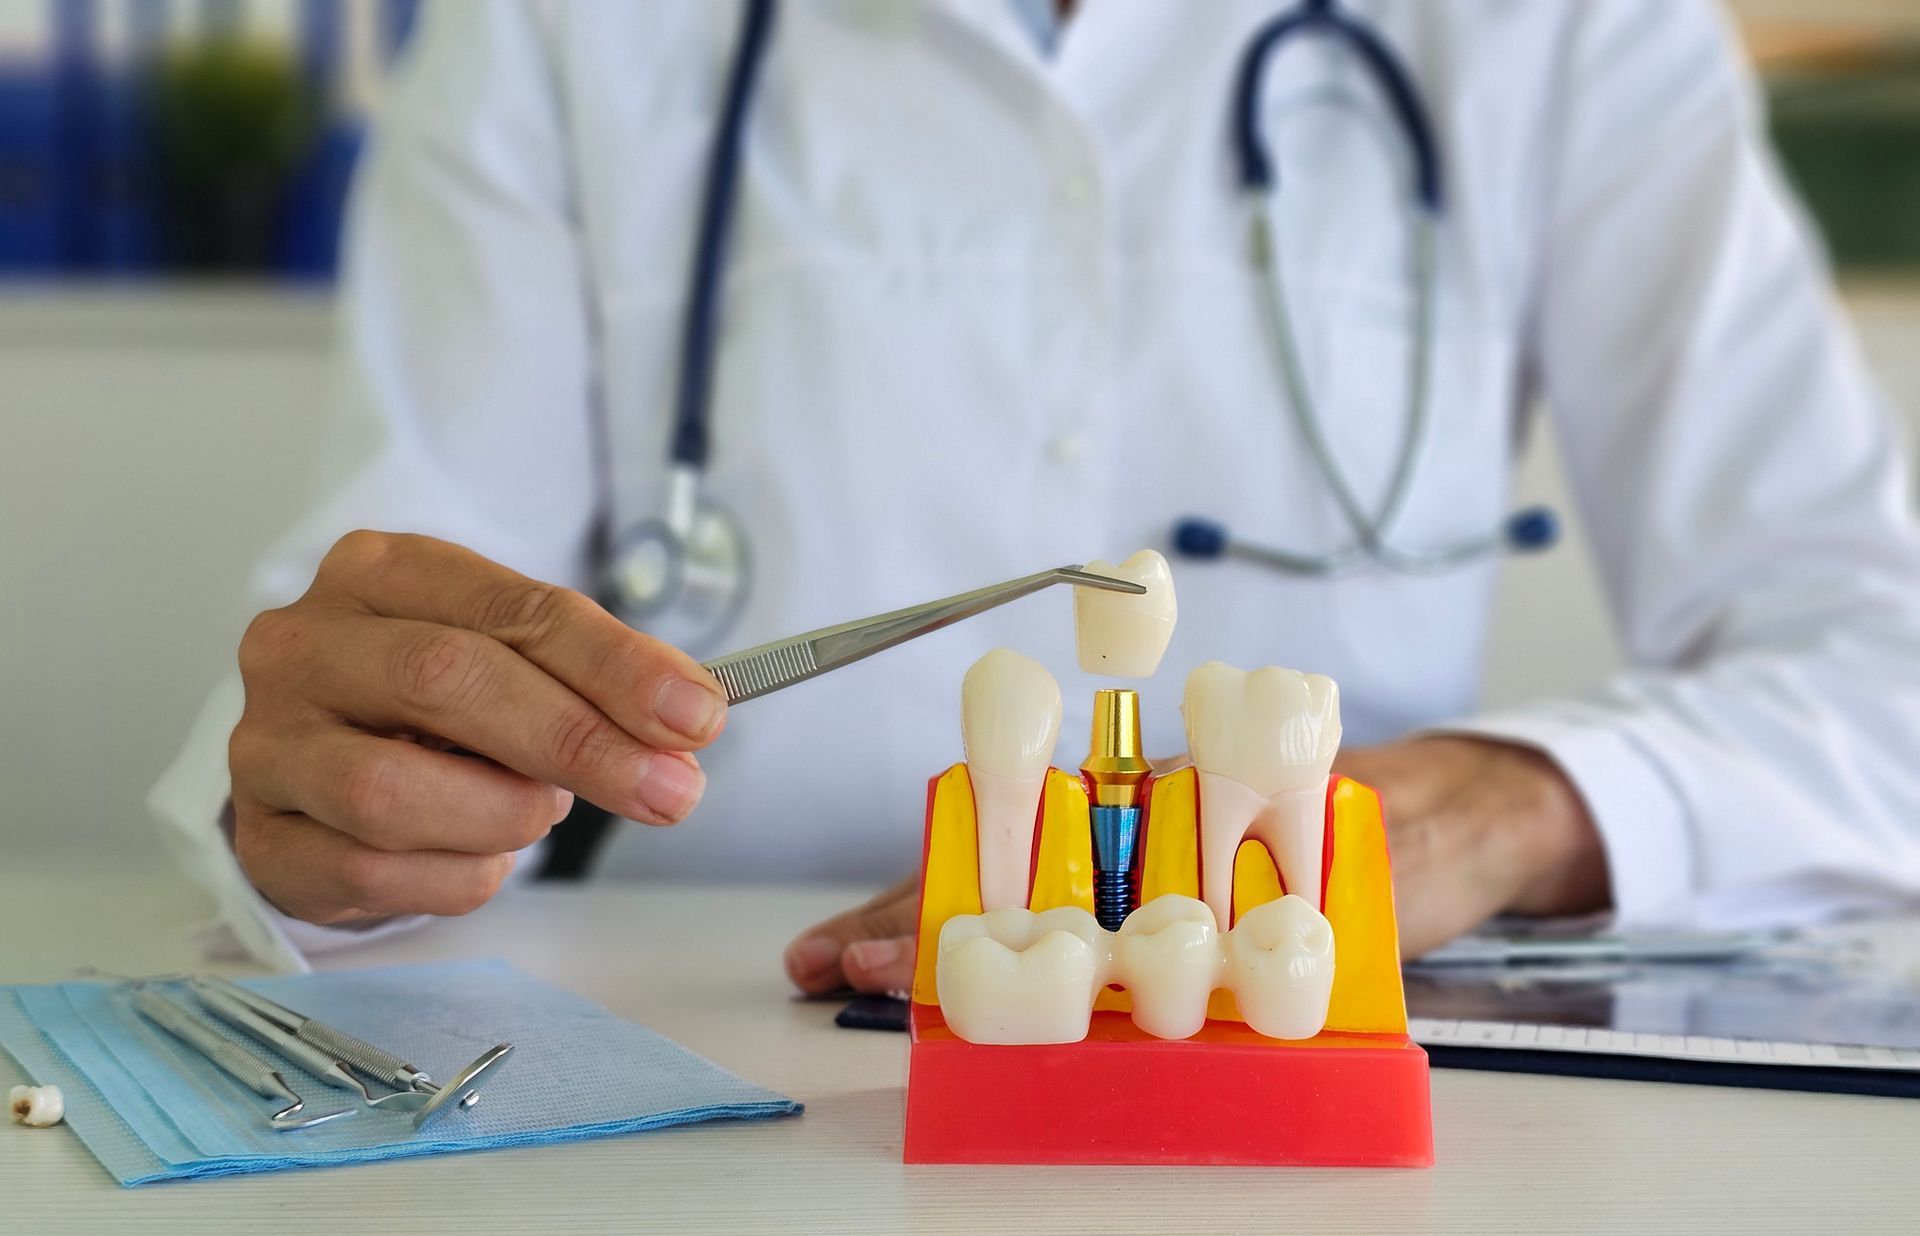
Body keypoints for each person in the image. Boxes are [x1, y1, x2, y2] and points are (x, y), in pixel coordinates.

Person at [153, 0, 1920, 986]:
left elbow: (1878, 678)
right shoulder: (563, 36)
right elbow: (357, 697)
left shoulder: (1572, 34)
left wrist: (1514, 801)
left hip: (1311, 1066)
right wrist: (335, 806)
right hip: (729, 1082)